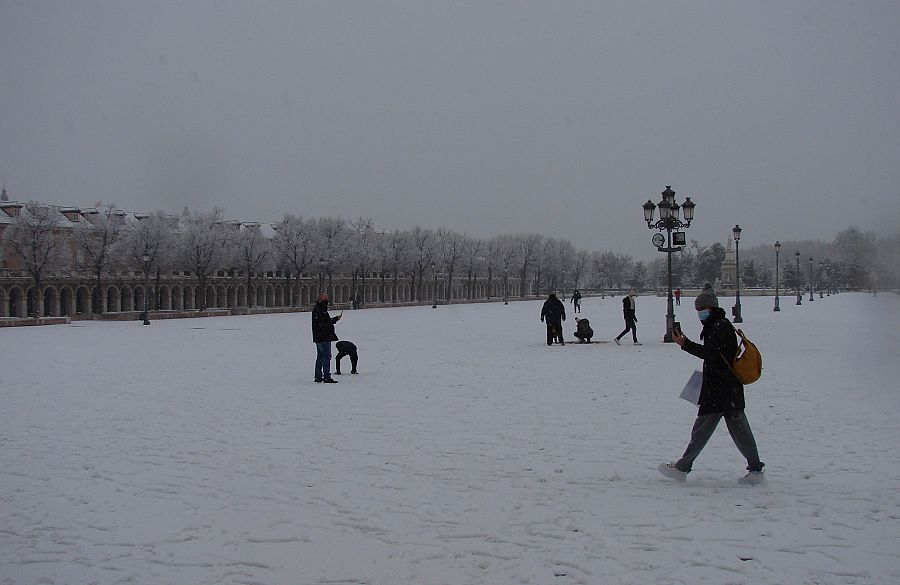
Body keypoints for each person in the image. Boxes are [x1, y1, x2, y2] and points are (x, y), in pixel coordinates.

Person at [659, 284, 765, 484]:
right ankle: (756, 470)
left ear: (710, 307)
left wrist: (685, 344)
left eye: (701, 309)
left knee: (702, 431)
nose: (699, 313)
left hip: (719, 390)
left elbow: (711, 354)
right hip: (728, 389)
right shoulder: (718, 324)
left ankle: (682, 468)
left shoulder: (719, 327)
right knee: (740, 431)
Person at [311, 292, 341, 383]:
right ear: (321, 299)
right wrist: (334, 319)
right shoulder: (320, 310)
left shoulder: (319, 309)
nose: (327, 300)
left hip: (319, 337)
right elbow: (324, 323)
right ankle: (327, 376)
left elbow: (323, 321)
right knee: (326, 357)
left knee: (320, 356)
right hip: (323, 337)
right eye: (326, 298)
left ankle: (318, 376)